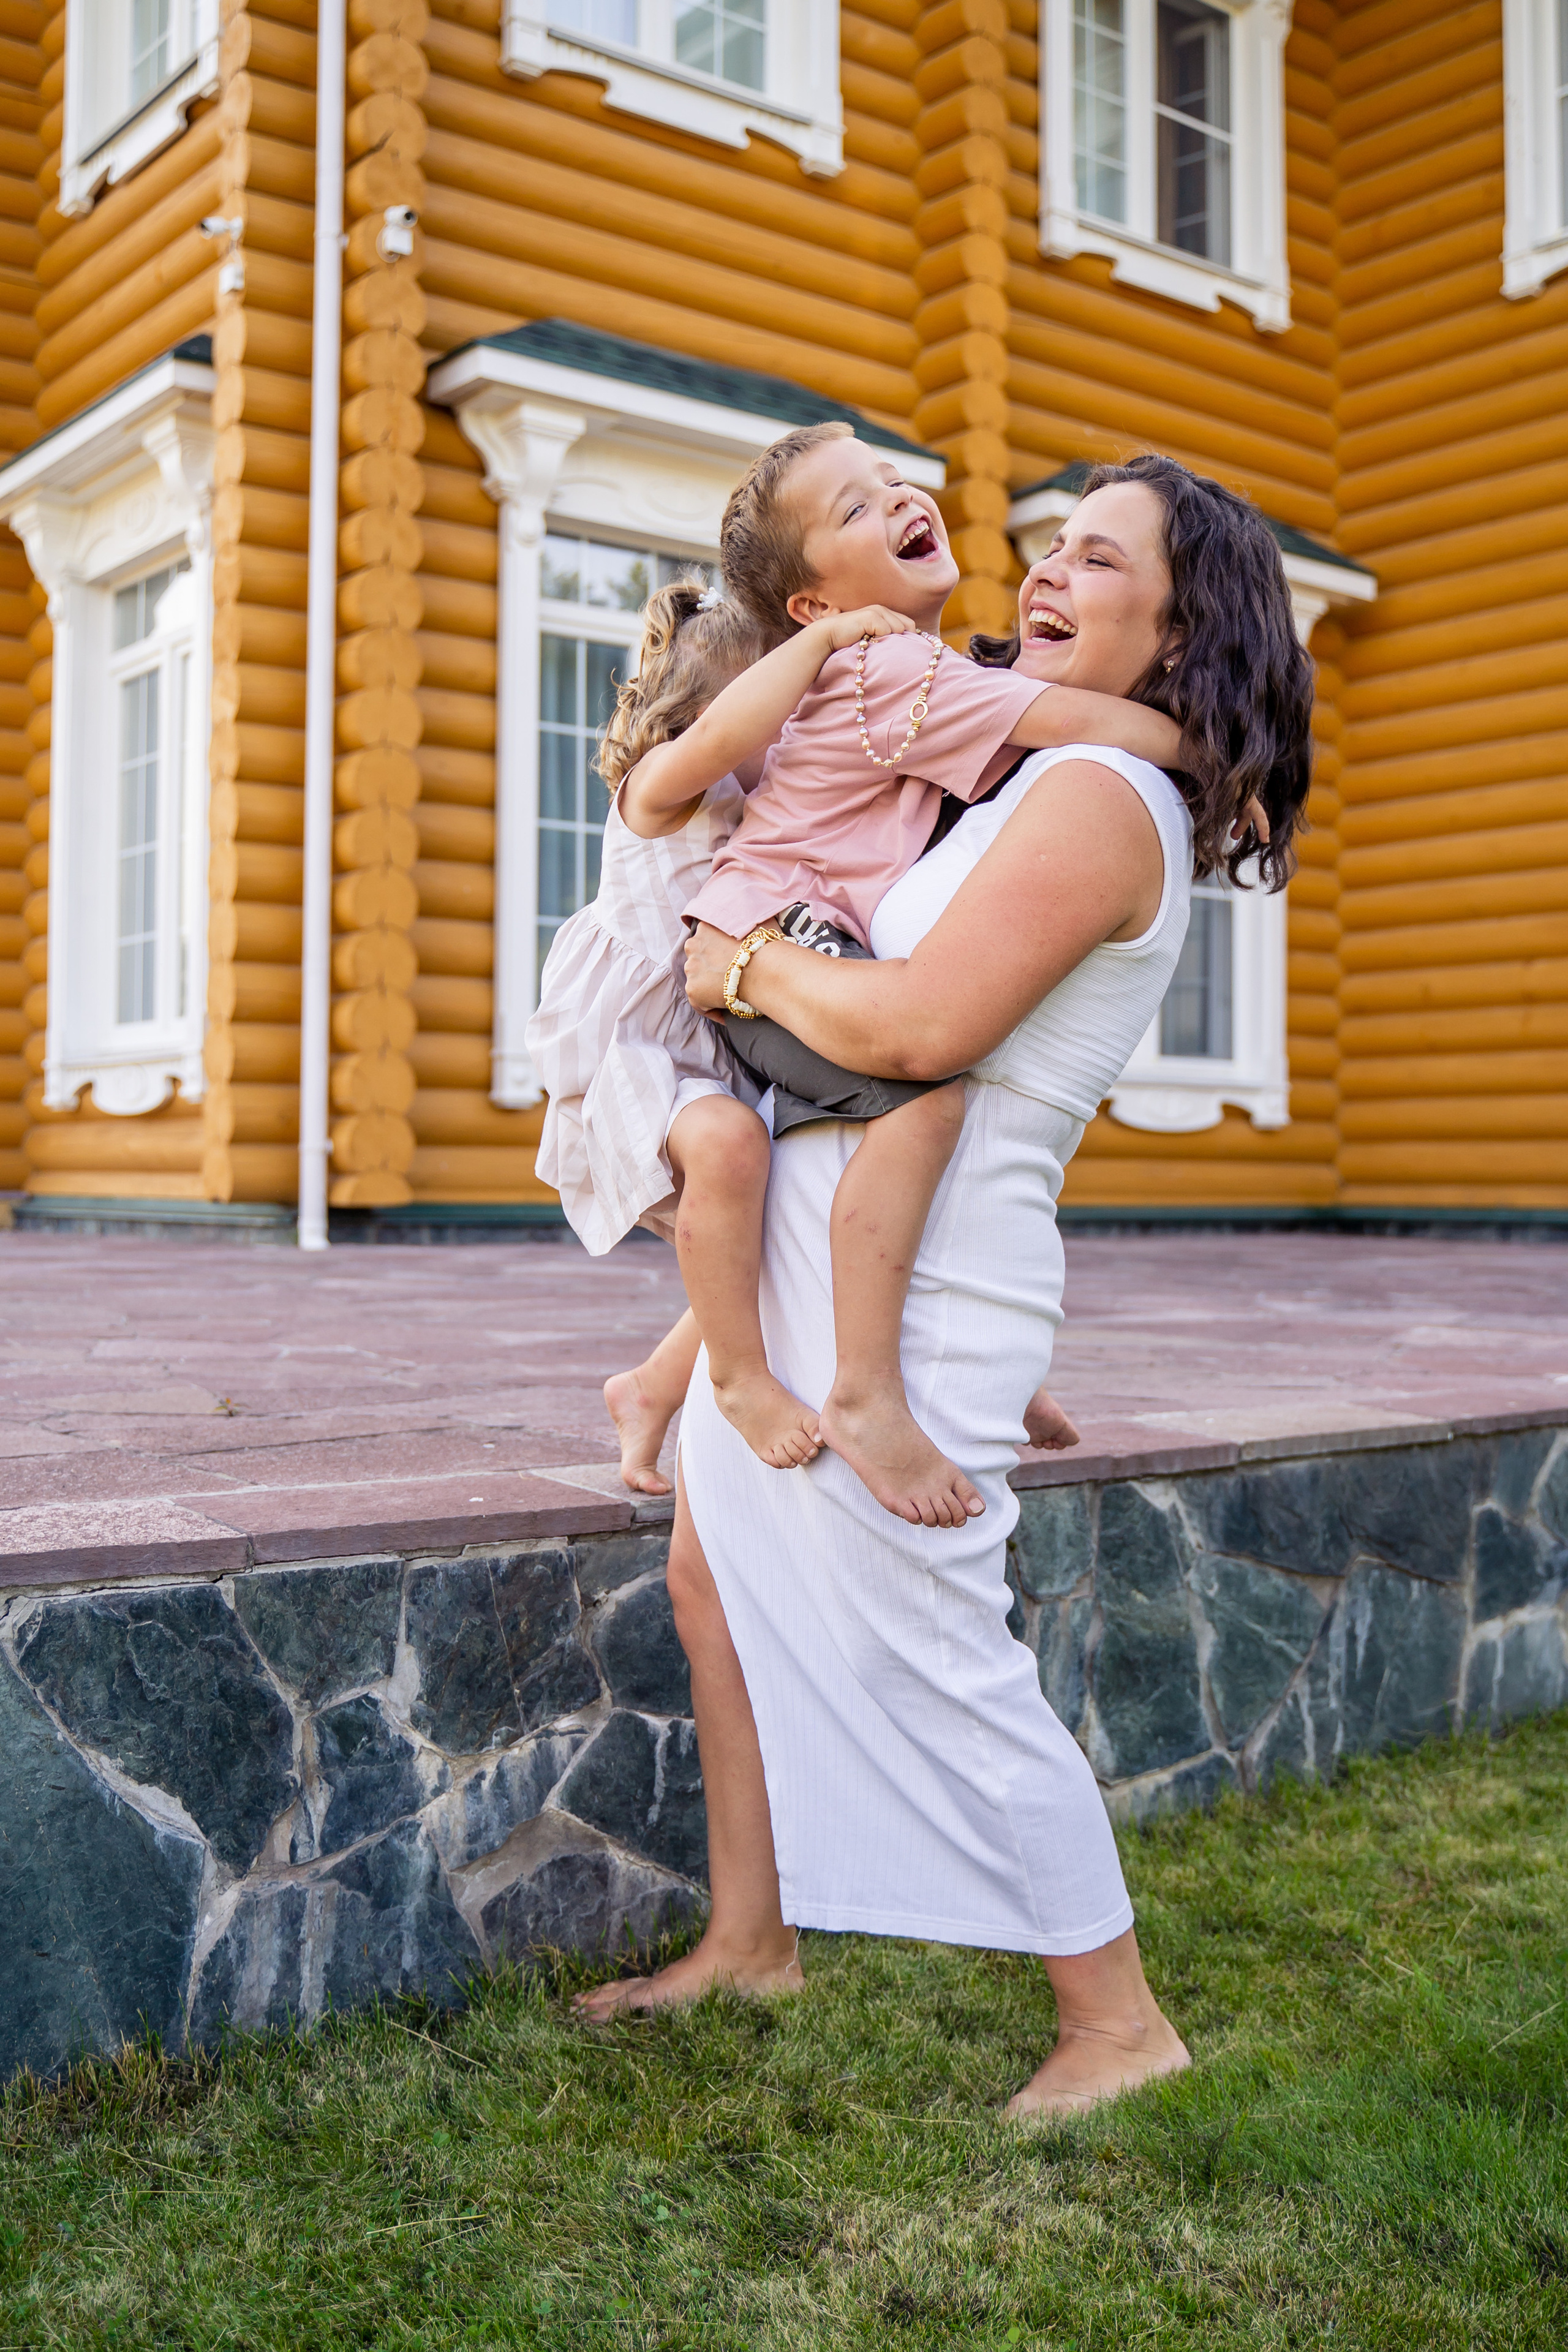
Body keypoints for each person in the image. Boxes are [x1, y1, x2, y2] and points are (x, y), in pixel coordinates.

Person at [576, 450, 1314, 2124]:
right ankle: (753, 1937)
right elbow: (836, 1069)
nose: (1046, 573)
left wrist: (741, 962)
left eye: (1099, 560)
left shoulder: (1095, 802)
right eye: (1049, 546)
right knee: (714, 1583)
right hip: (826, 1272)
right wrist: (690, 1348)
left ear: (1183, 620)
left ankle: (1118, 2021)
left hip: (912, 1307)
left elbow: (914, 1034)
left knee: (935, 1648)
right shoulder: (1021, 764)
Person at [536, 422, 1186, 1525]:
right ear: (814, 610)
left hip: (766, 938)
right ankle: (861, 1390)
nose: (895, 499)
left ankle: (658, 1384)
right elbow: (1075, 717)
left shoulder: (919, 677)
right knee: (917, 1109)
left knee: (796, 1173)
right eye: (854, 507)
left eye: (890, 482)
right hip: (747, 947)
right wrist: (1214, 748)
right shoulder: (886, 669)